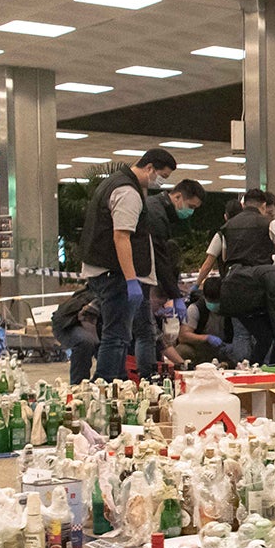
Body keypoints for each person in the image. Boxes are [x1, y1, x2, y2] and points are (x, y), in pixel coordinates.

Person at [75, 148, 177, 382]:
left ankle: (117, 380)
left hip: (108, 271)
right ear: (149, 168)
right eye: (162, 175)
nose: (161, 182)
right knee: (117, 335)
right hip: (115, 274)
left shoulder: (114, 183)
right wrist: (131, 280)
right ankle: (105, 383)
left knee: (119, 333)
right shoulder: (127, 191)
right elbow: (121, 237)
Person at [197, 188, 275, 284]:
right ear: (264, 205)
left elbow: (224, 257)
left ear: (243, 205)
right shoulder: (270, 223)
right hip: (259, 281)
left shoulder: (227, 226)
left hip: (232, 280)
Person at [173, 277, 233, 367]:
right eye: (211, 301)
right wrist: (206, 338)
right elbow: (183, 336)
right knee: (182, 350)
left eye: (217, 300)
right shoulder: (195, 309)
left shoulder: (231, 308)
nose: (214, 304)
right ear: (204, 297)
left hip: (223, 349)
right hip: (200, 348)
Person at [51, 287, 101, 384]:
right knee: (86, 342)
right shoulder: (104, 295)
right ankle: (78, 386)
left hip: (93, 323)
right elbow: (86, 318)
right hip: (69, 323)